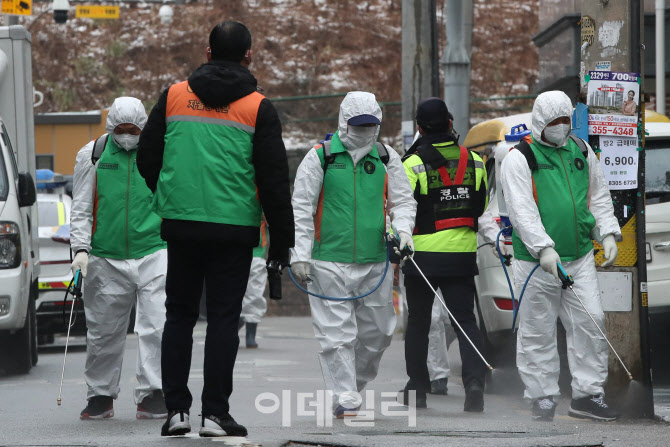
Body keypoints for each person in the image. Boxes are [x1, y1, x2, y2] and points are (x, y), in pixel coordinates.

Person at [137, 21, 294, 437]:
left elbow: (147, 155)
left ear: (207, 54)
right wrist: (282, 243)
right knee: (224, 319)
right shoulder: (258, 108)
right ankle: (215, 414)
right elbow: (276, 182)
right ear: (249, 56)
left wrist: (167, 194)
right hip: (234, 230)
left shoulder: (173, 96)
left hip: (182, 225)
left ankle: (175, 412)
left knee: (179, 314)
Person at [291, 91, 416, 418]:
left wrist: (404, 232)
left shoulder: (387, 158)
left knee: (380, 333)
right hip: (327, 260)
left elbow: (403, 202)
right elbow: (301, 209)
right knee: (337, 334)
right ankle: (345, 394)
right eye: (358, 125)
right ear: (344, 122)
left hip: (376, 261)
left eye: (370, 125)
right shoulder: (320, 158)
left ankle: (351, 385)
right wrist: (300, 254)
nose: (364, 131)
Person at [500, 90, 621, 422]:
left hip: (580, 256)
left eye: (565, 120)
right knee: (538, 329)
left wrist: (606, 231)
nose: (560, 126)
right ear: (540, 121)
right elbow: (522, 211)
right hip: (535, 263)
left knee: (591, 321)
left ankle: (587, 394)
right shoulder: (520, 158)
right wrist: (543, 248)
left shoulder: (581, 150)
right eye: (554, 122)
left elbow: (597, 195)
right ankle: (541, 395)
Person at [70, 97, 168, 421]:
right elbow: (82, 207)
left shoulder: (160, 150)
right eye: (122, 130)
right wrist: (80, 250)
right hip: (105, 257)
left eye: (134, 130)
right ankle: (100, 395)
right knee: (103, 330)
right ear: (111, 127)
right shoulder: (93, 155)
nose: (128, 135)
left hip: (154, 249)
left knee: (157, 324)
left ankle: (153, 392)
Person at [400, 97, 488, 411]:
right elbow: (480, 208)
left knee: (419, 324)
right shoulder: (475, 161)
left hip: (421, 257)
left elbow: (403, 210)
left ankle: (418, 389)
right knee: (466, 322)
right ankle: (474, 385)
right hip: (462, 256)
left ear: (420, 128)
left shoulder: (411, 164)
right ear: (451, 123)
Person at [239, 218, 269, 348]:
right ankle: (236, 323)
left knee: (254, 294)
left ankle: (250, 332)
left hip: (257, 252)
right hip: (234, 249)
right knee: (232, 293)